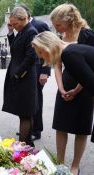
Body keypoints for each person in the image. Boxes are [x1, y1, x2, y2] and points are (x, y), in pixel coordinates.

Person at [41, 4, 94, 174]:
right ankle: (60, 163)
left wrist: (77, 90)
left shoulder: (87, 34)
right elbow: (57, 65)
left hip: (85, 87)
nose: (57, 29)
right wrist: (61, 88)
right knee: (61, 125)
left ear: (69, 19)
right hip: (65, 85)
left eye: (58, 25)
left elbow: (90, 70)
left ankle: (75, 166)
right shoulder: (62, 35)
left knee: (81, 128)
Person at [2, 7, 38, 147]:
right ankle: (27, 144)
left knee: (25, 112)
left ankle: (23, 145)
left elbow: (31, 57)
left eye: (15, 24)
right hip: (20, 77)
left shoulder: (31, 32)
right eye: (12, 24)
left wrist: (18, 74)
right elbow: (15, 49)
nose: (14, 26)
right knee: (24, 112)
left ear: (24, 19)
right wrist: (11, 32)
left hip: (25, 78)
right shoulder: (22, 31)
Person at [18, 4, 51, 141]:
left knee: (36, 100)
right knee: (27, 101)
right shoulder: (21, 28)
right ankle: (27, 128)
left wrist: (45, 71)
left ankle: (36, 130)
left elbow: (49, 47)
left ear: (26, 14)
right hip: (27, 70)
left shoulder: (40, 25)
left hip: (38, 69)